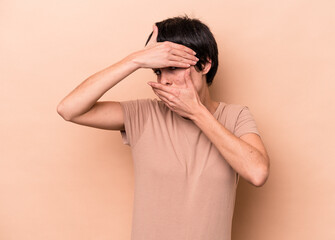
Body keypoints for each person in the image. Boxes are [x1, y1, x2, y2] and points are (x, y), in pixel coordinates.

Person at [57, 15, 270, 240]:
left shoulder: (236, 117)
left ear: (205, 64)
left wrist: (196, 112)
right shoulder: (145, 114)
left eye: (173, 68)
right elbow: (69, 109)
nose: (163, 81)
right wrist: (134, 60)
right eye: (158, 71)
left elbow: (257, 173)